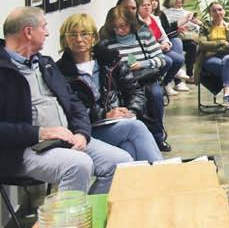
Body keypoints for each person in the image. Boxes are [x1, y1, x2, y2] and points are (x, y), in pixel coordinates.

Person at [0, 7, 131, 193]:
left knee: (121, 161)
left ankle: (88, 209)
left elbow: (74, 103)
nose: (47, 33)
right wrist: (41, 133)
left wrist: (82, 133)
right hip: (22, 150)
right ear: (28, 32)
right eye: (43, 27)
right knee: (78, 164)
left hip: (66, 138)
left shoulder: (45, 64)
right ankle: (72, 213)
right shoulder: (4, 70)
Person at [56, 14, 162, 163]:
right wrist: (104, 115)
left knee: (128, 148)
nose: (79, 39)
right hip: (85, 130)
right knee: (136, 127)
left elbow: (135, 91)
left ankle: (146, 177)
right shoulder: (59, 72)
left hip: (117, 124)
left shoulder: (110, 61)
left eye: (84, 34)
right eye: (73, 35)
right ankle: (163, 173)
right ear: (65, 39)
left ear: (94, 37)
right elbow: (69, 109)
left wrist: (131, 111)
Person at [99, 4, 171, 151]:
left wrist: (143, 64)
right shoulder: (107, 43)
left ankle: (157, 136)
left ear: (130, 23)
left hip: (146, 78)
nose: (120, 30)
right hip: (123, 84)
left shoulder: (143, 34)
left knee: (155, 95)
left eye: (123, 26)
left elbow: (162, 59)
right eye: (115, 27)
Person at [194, 2, 229, 117]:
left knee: (228, 60)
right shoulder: (205, 27)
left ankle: (226, 96)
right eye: (214, 10)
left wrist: (212, 47)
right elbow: (202, 44)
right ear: (210, 13)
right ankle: (228, 101)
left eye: (220, 9)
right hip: (211, 59)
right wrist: (221, 42)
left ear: (224, 11)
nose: (217, 12)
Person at [138, 0, 187, 96]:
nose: (147, 7)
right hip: (149, 51)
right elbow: (141, 42)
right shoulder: (136, 22)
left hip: (160, 49)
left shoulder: (155, 18)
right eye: (143, 5)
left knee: (179, 59)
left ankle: (165, 83)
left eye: (148, 5)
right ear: (138, 8)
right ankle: (155, 82)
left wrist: (166, 43)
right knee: (168, 61)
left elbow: (164, 36)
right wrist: (158, 46)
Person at [161, 0, 200, 77]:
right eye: (177, 2)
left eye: (180, 2)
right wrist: (177, 28)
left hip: (184, 37)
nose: (179, 4)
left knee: (192, 45)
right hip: (171, 37)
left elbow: (195, 26)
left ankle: (189, 73)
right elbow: (166, 28)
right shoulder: (164, 13)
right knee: (177, 42)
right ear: (171, 2)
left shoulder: (186, 13)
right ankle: (176, 75)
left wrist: (193, 25)